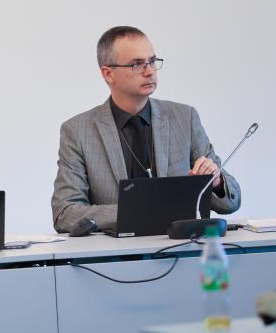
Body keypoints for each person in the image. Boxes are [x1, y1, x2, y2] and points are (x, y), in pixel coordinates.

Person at [51, 26, 241, 233]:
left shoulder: (184, 118)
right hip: (114, 258)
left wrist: (217, 182)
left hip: (181, 250)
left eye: (152, 61)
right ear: (108, 74)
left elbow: (230, 203)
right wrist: (138, 211)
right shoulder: (78, 131)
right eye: (136, 65)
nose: (149, 71)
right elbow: (65, 213)